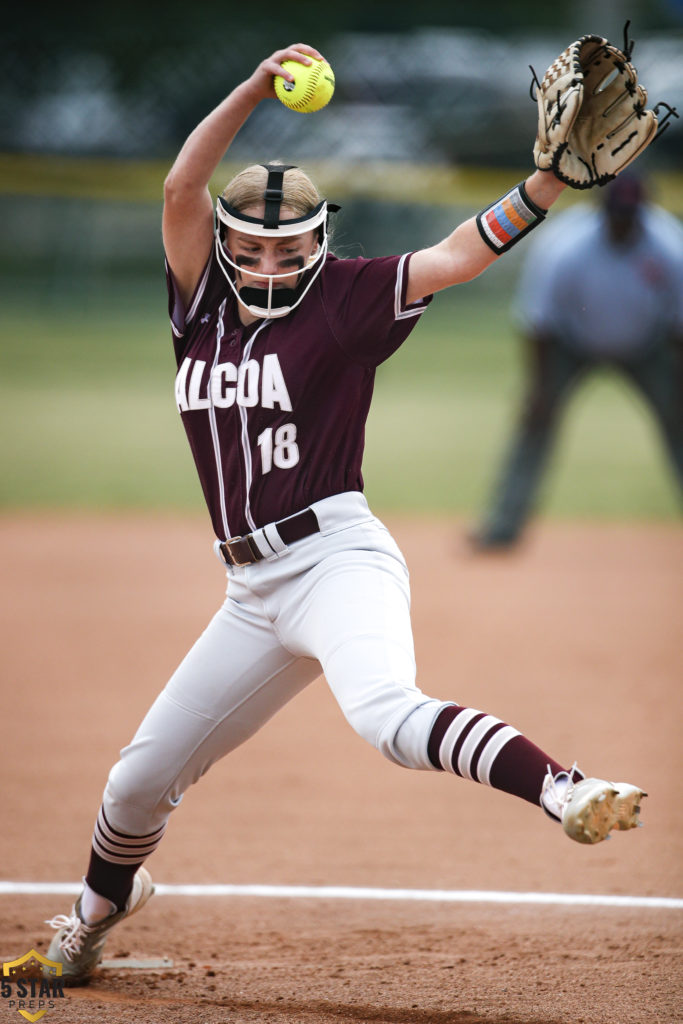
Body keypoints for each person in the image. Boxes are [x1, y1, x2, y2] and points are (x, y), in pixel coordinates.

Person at [44, 43, 648, 986]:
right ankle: (90, 919)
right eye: (249, 244)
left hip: (335, 559)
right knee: (134, 784)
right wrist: (250, 87)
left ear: (320, 240)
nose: (269, 260)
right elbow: (177, 186)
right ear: (225, 243)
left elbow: (453, 257)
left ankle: (563, 788)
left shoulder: (346, 297)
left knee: (384, 717)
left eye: (289, 246)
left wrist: (542, 185)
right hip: (248, 591)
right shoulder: (197, 303)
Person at [471, 172, 683, 550]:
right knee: (535, 422)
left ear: (644, 212)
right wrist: (540, 389)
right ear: (602, 209)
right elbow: (538, 322)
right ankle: (502, 526)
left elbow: (678, 325)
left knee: (679, 419)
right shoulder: (566, 247)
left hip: (647, 346)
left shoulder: (669, 246)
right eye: (618, 213)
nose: (624, 222)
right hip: (571, 344)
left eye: (631, 215)